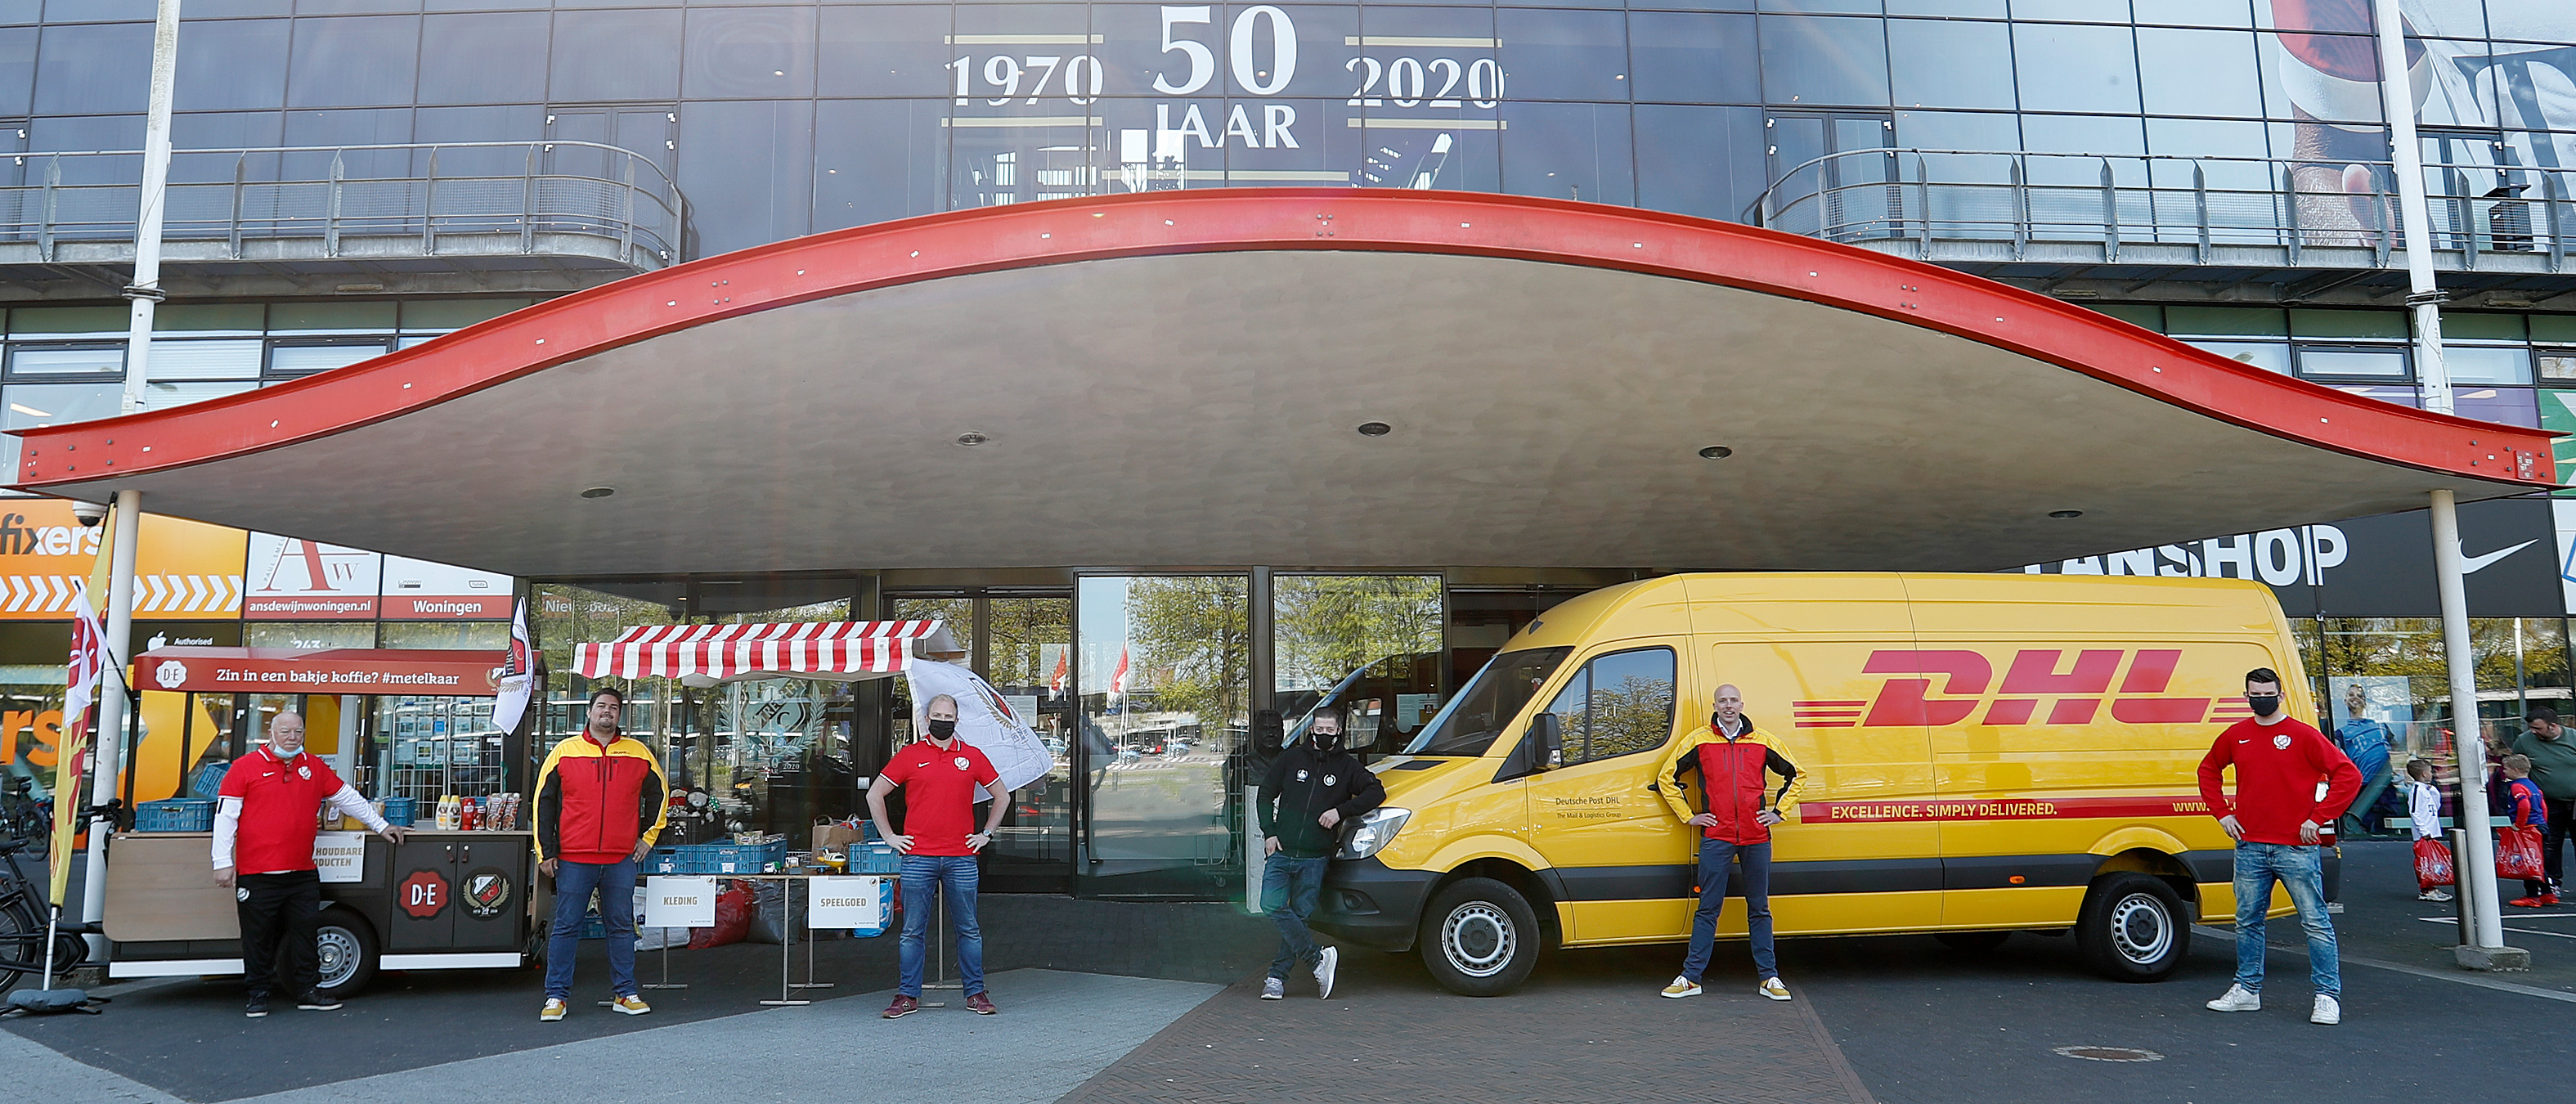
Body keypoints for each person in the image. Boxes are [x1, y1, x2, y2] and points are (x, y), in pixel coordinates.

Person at [213, 711, 406, 1018]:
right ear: (271, 732)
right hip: (257, 873)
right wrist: (222, 862)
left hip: (302, 872)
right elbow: (225, 817)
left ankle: (308, 990)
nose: (293, 737)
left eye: (298, 732)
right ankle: (258, 995)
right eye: (286, 731)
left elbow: (347, 798)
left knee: (306, 933)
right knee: (257, 937)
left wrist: (380, 825)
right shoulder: (244, 768)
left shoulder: (313, 766)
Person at [2199, 668, 2360, 1026]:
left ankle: (2327, 996)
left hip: (2296, 846)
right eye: (2254, 694)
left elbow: (2348, 774)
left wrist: (2318, 818)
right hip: (2251, 844)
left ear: (2281, 694)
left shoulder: (2304, 735)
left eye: (2267, 693)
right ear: (2247, 697)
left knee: (2316, 922)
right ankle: (2247, 990)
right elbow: (2208, 770)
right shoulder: (2236, 736)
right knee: (2247, 922)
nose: (2261, 699)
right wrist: (2222, 814)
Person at [1656, 683, 1803, 1003]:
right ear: (1715, 705)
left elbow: (1798, 775)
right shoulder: (1699, 740)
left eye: (1733, 700)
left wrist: (1779, 812)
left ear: (1741, 704)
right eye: (1722, 701)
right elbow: (1666, 778)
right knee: (1707, 908)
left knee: (1759, 908)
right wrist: (1688, 815)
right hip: (1717, 837)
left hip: (1756, 836)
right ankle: (1691, 977)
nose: (1728, 705)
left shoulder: (1762, 740)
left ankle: (1769, 978)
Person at [870, 693, 1010, 1018]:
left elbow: (1001, 796)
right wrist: (890, 837)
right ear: (926, 719)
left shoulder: (973, 756)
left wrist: (986, 834)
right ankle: (907, 996)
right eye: (937, 715)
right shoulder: (910, 755)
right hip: (918, 857)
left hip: (962, 857)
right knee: (912, 932)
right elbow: (874, 793)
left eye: (948, 716)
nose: (942, 721)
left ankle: (976, 993)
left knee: (969, 930)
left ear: (956, 721)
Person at [534, 687, 668, 1022]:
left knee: (621, 927)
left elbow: (660, 795)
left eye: (613, 707)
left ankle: (626, 992)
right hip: (574, 858)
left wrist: (647, 838)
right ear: (590, 712)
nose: (607, 712)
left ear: (620, 716)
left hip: (621, 857)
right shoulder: (564, 752)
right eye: (601, 706)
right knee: (566, 927)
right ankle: (556, 997)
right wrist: (546, 851)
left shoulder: (638, 753)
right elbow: (543, 803)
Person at [1255, 707, 1384, 1001]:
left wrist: (1340, 811)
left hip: (1315, 857)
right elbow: (1265, 793)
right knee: (1271, 905)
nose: (1323, 735)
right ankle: (1317, 960)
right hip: (1282, 849)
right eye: (1319, 729)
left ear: (1339, 731)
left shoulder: (1348, 767)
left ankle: (1276, 978)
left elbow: (1375, 792)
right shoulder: (1291, 758)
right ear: (1311, 729)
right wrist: (1269, 831)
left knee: (1299, 916)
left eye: (1329, 730)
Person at [2511, 707, 2576, 903]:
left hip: (2575, 800)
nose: (2533, 731)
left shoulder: (2573, 738)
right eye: (2531, 727)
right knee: (2549, 845)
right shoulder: (2524, 742)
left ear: (2553, 726)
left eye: (2538, 728)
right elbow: (2518, 768)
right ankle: (2552, 884)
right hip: (2547, 802)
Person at [2333, 685, 2394, 838]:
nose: (2355, 698)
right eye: (2351, 695)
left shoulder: (2380, 726)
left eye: (2360, 695)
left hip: (2387, 784)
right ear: (2345, 701)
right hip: (2365, 787)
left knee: (2390, 822)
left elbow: (2397, 749)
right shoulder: (2341, 731)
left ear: (2365, 702)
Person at [2501, 755, 2555, 908]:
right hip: (2539, 826)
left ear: (2515, 770)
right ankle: (2547, 893)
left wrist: (2519, 824)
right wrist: (2543, 822)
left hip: (2528, 828)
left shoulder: (2516, 786)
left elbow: (2524, 805)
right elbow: (2543, 805)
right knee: (2539, 861)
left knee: (2528, 862)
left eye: (2506, 769)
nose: (2504, 772)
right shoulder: (2533, 785)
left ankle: (2532, 895)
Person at [2401, 759, 2453, 904]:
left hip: (2431, 832)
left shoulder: (2426, 790)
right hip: (2424, 834)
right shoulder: (2417, 791)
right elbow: (2415, 811)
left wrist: (2434, 791)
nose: (2432, 774)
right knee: (2424, 862)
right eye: (2430, 771)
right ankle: (2426, 889)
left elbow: (2436, 806)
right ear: (2424, 774)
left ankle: (2431, 886)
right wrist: (2423, 831)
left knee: (2433, 861)